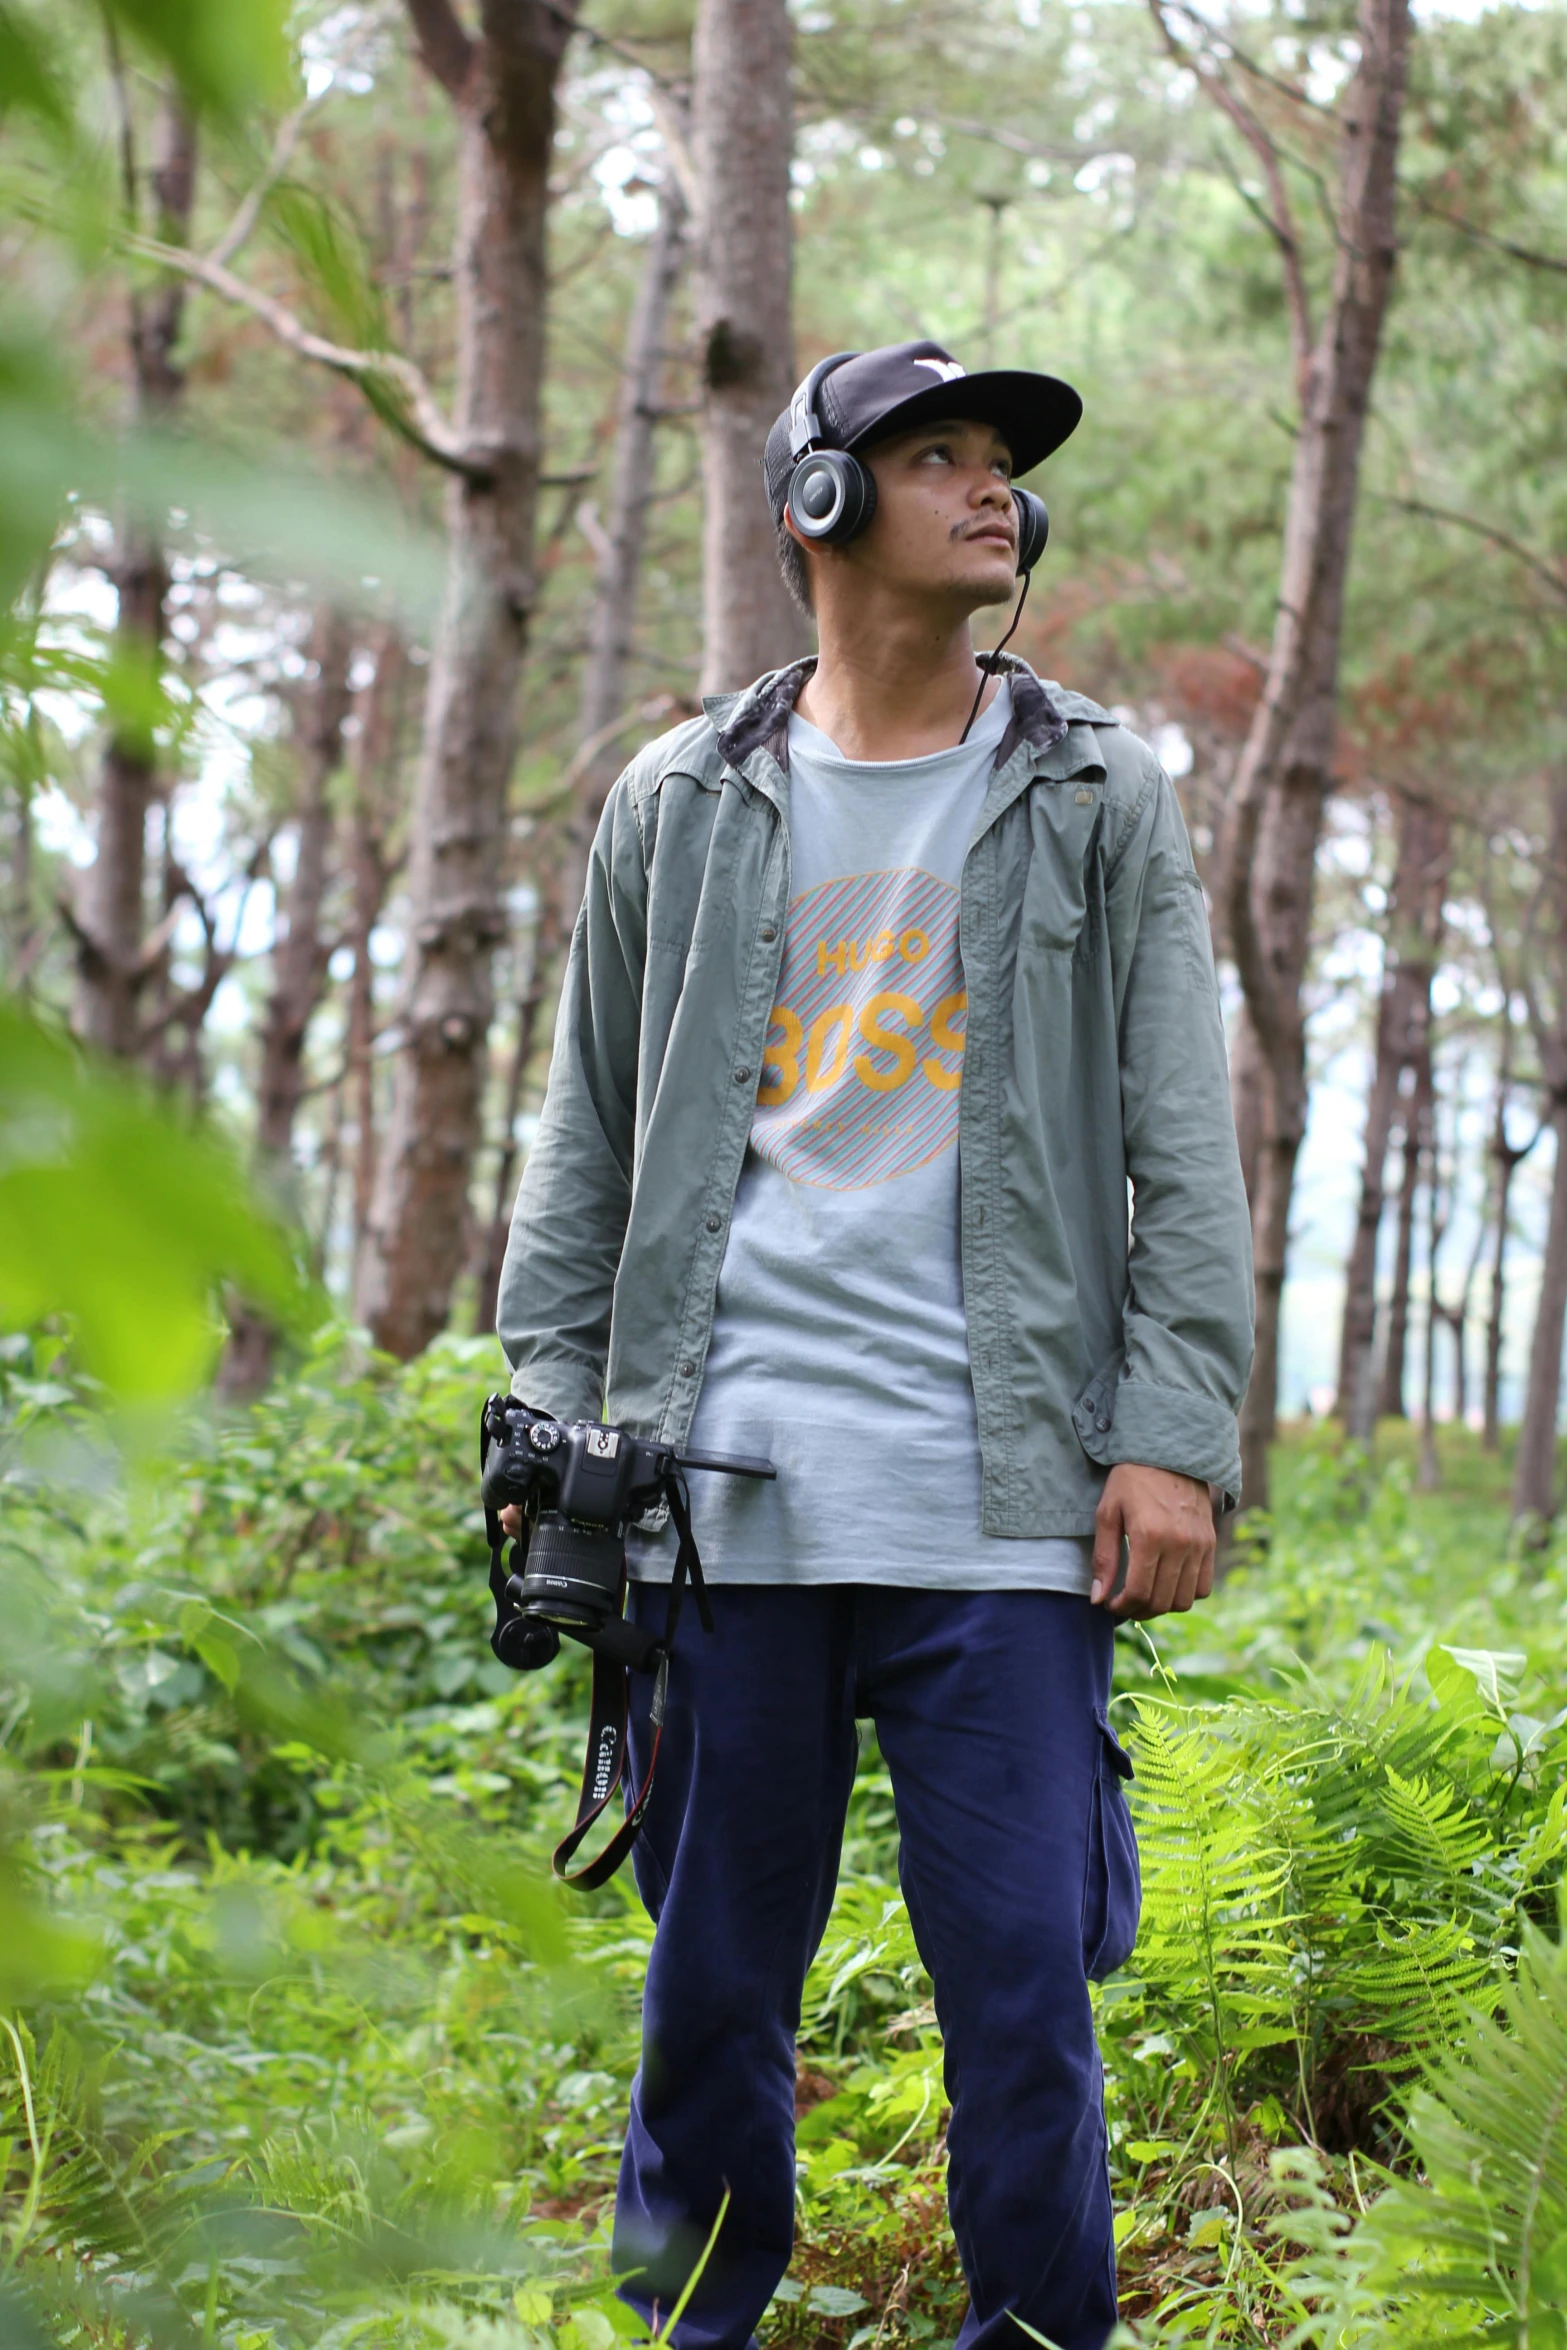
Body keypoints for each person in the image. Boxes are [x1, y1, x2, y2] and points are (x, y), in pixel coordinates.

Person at [496, 340, 1254, 2350]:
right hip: (717, 1494)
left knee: (1024, 1998)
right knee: (711, 1993)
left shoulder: (1097, 788)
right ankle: (702, 2327)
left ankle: (1039, 2330)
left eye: (1005, 464)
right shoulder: (681, 796)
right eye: (941, 457)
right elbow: (588, 1125)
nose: (992, 490)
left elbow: (1182, 1136)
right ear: (817, 507)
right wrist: (543, 1406)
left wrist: (1173, 1433)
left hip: (1001, 1500)